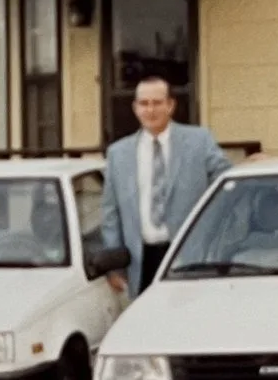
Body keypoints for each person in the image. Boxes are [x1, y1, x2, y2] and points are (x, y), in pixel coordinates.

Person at [97, 76, 230, 292]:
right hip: (140, 260)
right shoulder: (118, 153)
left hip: (190, 255)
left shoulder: (199, 141)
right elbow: (110, 213)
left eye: (157, 103)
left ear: (170, 105)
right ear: (135, 108)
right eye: (144, 103)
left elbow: (226, 183)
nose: (150, 110)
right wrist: (114, 266)